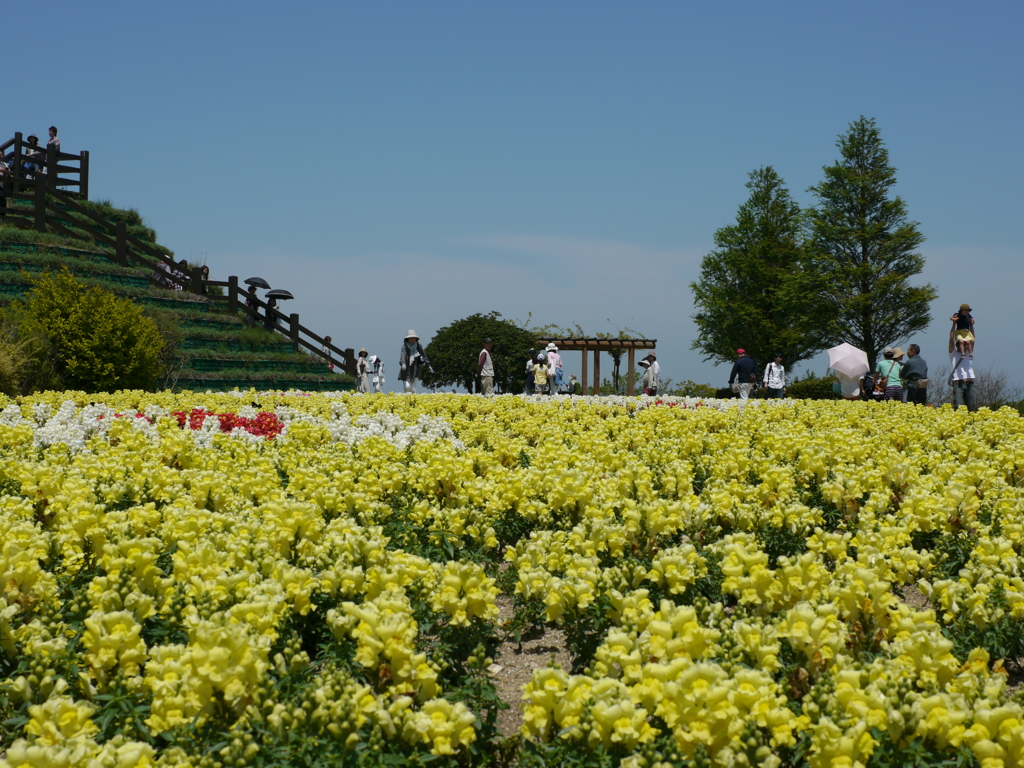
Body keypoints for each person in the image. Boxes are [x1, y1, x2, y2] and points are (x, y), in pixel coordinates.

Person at [949, 319, 976, 411]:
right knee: (958, 406)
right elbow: (951, 339)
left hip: (969, 383)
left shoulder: (969, 353)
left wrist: (971, 325)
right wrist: (954, 324)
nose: (965, 346)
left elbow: (972, 339)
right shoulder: (953, 354)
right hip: (958, 382)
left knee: (971, 407)